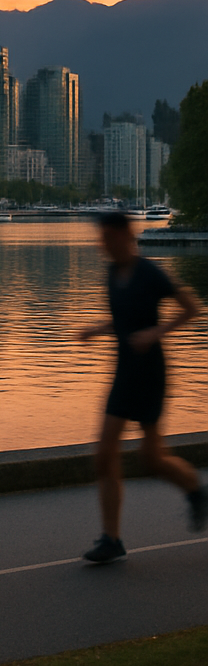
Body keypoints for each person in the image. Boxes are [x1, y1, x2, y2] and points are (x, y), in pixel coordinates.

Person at [78, 211, 206, 563]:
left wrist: (155, 333)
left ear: (123, 235)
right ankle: (111, 538)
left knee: (151, 459)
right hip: (123, 373)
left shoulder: (149, 272)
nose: (100, 243)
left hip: (150, 374)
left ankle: (195, 489)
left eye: (105, 237)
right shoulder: (110, 274)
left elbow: (192, 308)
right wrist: (97, 329)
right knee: (104, 454)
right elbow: (122, 320)